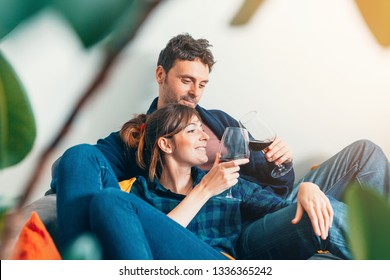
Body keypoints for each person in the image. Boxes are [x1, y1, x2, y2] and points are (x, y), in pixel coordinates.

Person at [51, 33, 390, 258]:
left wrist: (281, 165)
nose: (195, 92)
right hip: (215, 230)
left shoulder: (221, 121)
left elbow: (274, 187)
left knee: (365, 153)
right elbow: (85, 171)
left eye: (202, 83)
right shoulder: (140, 142)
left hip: (253, 206)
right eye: (186, 80)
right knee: (82, 162)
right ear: (160, 75)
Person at [88, 103, 350, 259]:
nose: (204, 137)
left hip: (235, 260)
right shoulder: (140, 193)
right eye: (192, 131)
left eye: (201, 129)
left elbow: (280, 207)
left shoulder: (227, 181)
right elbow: (144, 243)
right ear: (166, 144)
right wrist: (204, 190)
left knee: (325, 210)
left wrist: (308, 188)